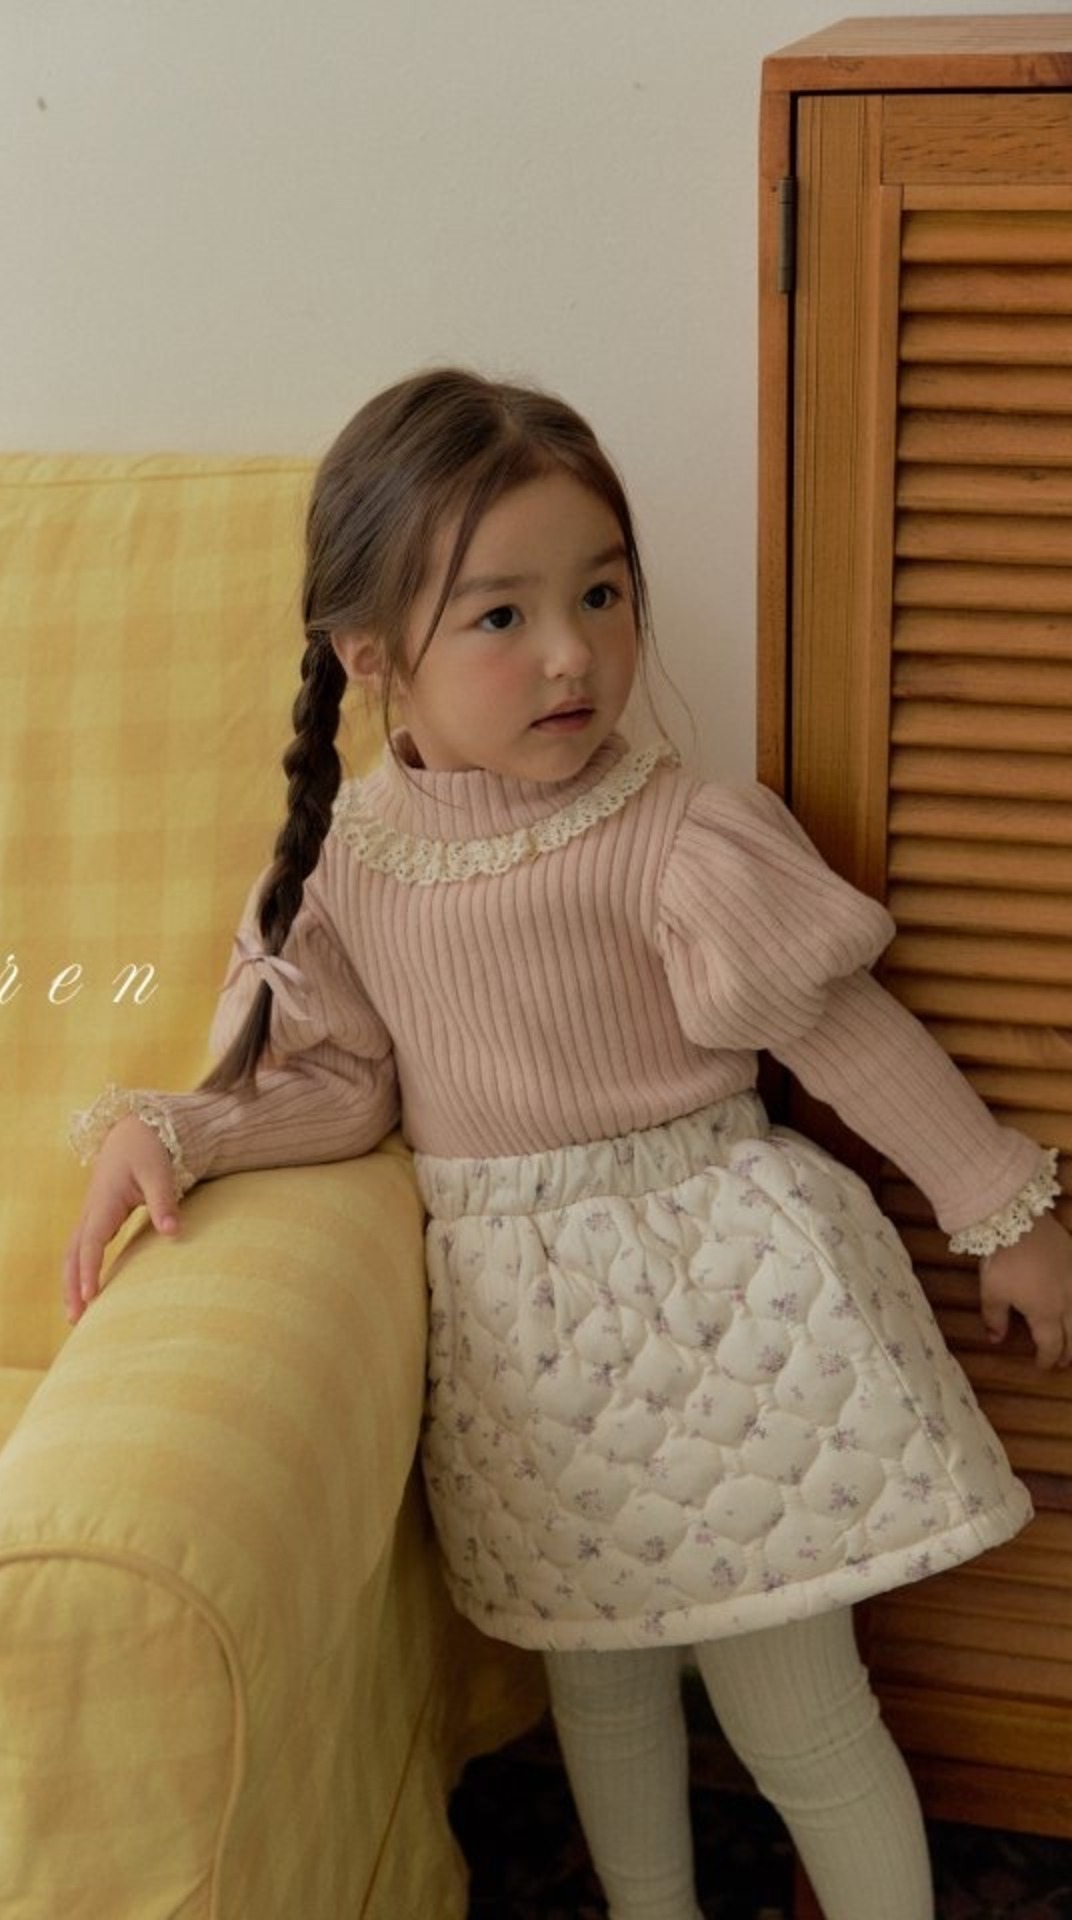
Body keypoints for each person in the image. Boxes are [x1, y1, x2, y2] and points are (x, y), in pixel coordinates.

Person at [64, 368, 1072, 1920]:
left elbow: (840, 1030)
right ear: (370, 654)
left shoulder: (676, 832)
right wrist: (172, 1132)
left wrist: (1003, 1211)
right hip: (531, 1355)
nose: (572, 654)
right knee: (599, 1698)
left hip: (726, 1313)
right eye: (503, 615)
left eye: (602, 595)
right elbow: (342, 1088)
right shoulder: (344, 871)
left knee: (797, 1709)